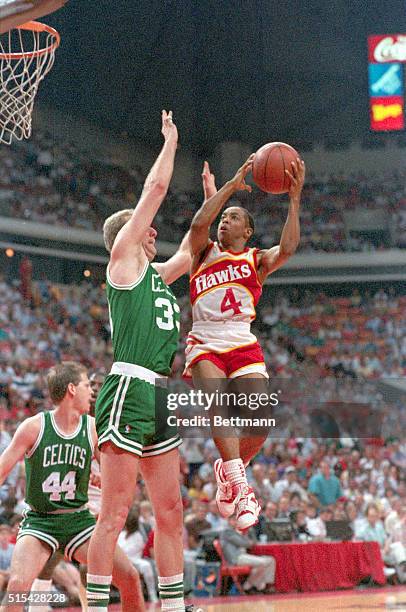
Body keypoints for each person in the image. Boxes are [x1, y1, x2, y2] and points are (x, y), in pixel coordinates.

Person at [86, 111, 194, 612]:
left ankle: (173, 606)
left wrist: (222, 194)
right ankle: (93, 604)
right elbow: (153, 190)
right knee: (114, 513)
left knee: (170, 509)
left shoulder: (158, 275)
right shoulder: (124, 258)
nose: (155, 233)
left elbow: (194, 248)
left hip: (160, 392)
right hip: (128, 387)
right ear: (129, 234)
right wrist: (171, 143)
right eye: (147, 229)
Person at [185, 155, 305, 530]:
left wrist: (295, 199)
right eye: (225, 216)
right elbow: (198, 222)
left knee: (261, 423)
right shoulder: (203, 252)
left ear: (247, 231)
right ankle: (241, 485)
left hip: (241, 339)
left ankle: (228, 469)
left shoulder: (256, 260)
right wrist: (229, 188)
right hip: (205, 338)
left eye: (234, 217)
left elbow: (287, 249)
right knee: (215, 400)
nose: (225, 220)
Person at [0, 361, 144, 612]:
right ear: (71, 389)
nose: (92, 391)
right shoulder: (34, 427)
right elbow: (2, 469)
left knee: (130, 577)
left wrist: (102, 477)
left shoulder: (91, 428)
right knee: (16, 586)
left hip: (80, 521)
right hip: (40, 521)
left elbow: (118, 477)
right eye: (87, 385)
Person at [220, 516, 275, 593]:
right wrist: (248, 539)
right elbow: (245, 544)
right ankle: (257, 586)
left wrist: (250, 529)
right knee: (264, 562)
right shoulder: (227, 532)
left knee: (270, 560)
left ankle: (253, 585)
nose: (236, 522)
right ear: (228, 521)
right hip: (236, 558)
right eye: (233, 520)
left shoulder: (237, 531)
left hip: (243, 556)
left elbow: (254, 542)